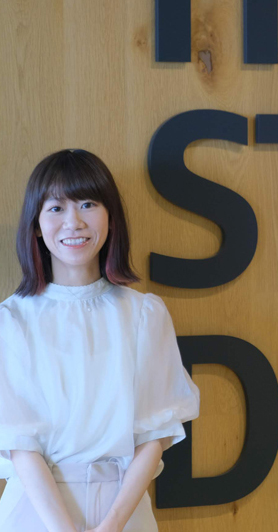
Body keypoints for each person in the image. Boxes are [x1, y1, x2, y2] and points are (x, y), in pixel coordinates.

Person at [0, 149, 200, 531]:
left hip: (124, 510)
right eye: (56, 208)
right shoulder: (10, 321)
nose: (73, 222)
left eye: (88, 204)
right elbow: (19, 444)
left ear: (110, 217)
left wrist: (111, 525)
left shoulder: (144, 314)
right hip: (36, 511)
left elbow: (154, 435)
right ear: (37, 225)